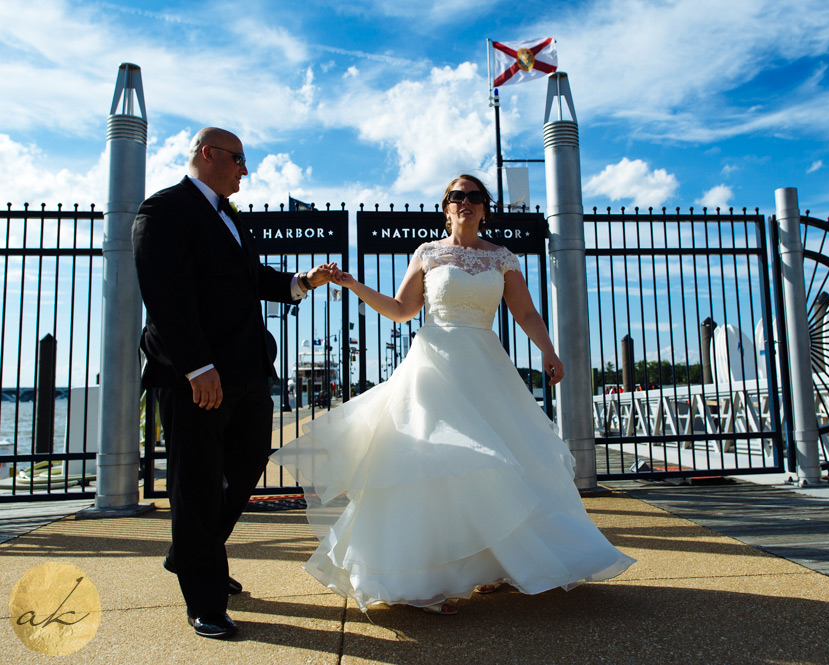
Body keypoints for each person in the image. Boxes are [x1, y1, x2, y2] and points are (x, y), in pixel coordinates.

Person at [272, 174, 635, 615]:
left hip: (486, 367)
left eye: (474, 197)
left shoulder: (502, 258)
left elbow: (524, 311)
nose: (465, 202)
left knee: (499, 463)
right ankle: (424, 574)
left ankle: (496, 564)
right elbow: (404, 310)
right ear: (446, 207)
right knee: (429, 461)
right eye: (457, 196)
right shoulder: (427, 253)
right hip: (433, 366)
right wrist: (354, 286)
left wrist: (548, 350)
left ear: (485, 208)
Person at [132, 127, 335, 639]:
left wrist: (300, 282)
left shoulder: (230, 217)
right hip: (197, 376)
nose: (246, 168)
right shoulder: (165, 211)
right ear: (209, 154)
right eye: (239, 159)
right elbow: (165, 294)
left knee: (245, 466)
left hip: (245, 372)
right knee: (196, 485)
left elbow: (249, 277)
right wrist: (196, 366)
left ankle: (188, 553)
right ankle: (205, 597)